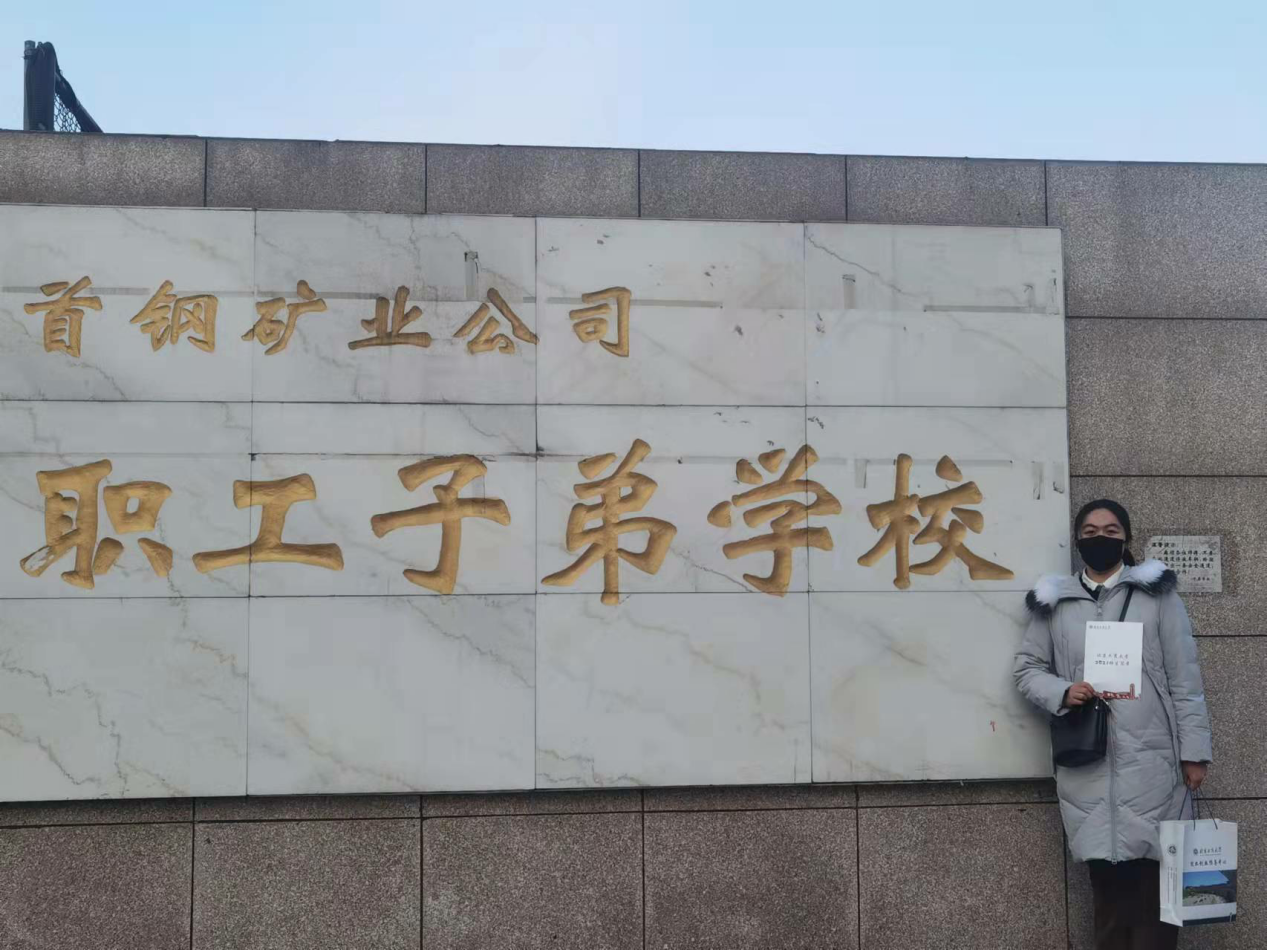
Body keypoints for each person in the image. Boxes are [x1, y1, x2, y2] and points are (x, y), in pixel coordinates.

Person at [1013, 499, 1213, 950]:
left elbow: (1185, 679)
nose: (1099, 538)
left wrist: (1195, 753)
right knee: (1107, 892)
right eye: (1089, 531)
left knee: (1155, 889)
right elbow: (1027, 669)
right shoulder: (1056, 603)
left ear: (1126, 538)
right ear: (1077, 539)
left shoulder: (1157, 598)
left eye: (1110, 530)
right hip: (1088, 763)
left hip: (1153, 763)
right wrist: (1063, 691)